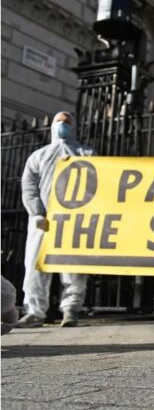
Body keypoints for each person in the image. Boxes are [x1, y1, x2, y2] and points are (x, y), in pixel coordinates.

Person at [16, 111, 94, 328]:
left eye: (66, 122)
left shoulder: (86, 153)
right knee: (36, 265)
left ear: (74, 126)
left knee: (74, 266)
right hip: (43, 221)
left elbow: (96, 182)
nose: (62, 125)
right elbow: (29, 187)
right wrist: (37, 213)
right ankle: (34, 312)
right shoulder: (38, 156)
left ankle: (71, 310)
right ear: (52, 126)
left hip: (74, 220)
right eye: (59, 121)